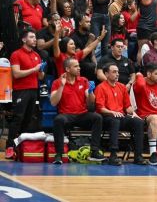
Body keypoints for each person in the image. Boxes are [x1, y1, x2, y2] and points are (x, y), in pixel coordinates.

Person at [50, 58, 105, 164]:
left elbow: (90, 103)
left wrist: (90, 92)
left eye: (78, 66)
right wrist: (62, 86)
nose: (79, 68)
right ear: (67, 69)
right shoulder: (57, 82)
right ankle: (59, 154)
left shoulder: (83, 80)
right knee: (58, 120)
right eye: (75, 66)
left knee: (97, 117)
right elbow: (53, 102)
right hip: (66, 115)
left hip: (82, 114)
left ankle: (94, 151)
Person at [94, 64, 147, 166]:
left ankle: (138, 156)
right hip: (106, 117)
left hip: (120, 116)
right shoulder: (100, 87)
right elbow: (100, 108)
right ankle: (113, 155)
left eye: (117, 72)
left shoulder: (122, 87)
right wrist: (112, 112)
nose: (117, 74)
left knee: (138, 122)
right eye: (114, 72)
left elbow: (128, 107)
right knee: (115, 121)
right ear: (106, 74)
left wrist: (134, 114)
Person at [6, 30, 45, 159]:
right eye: (31, 37)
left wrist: (41, 72)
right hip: (21, 90)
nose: (35, 39)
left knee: (28, 120)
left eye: (35, 37)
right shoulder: (16, 54)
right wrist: (34, 69)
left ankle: (21, 146)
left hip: (33, 90)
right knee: (18, 118)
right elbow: (16, 74)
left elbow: (40, 77)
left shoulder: (36, 55)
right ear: (24, 40)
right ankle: (9, 147)